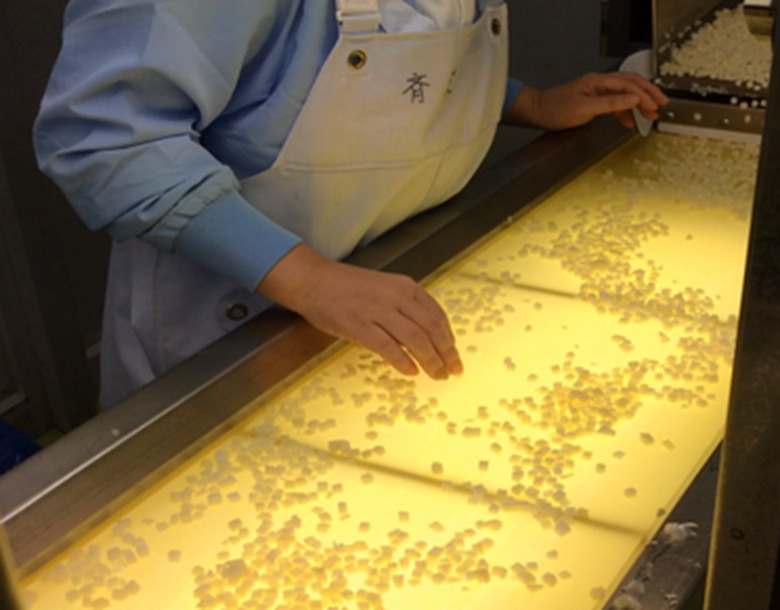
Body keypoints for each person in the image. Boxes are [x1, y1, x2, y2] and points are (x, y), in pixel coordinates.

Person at [33, 0, 668, 408]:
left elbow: (390, 67)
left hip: (377, 298)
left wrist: (531, 104)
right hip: (224, 330)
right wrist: (309, 279)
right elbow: (105, 139)